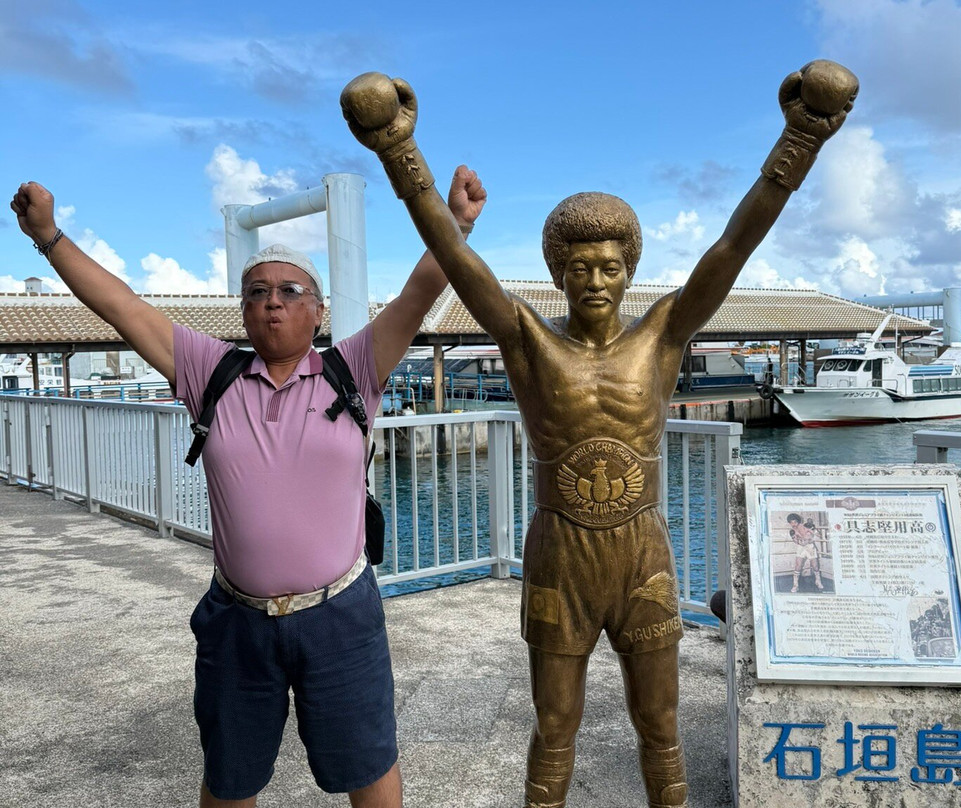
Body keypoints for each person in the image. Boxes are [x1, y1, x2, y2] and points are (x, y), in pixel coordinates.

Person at [342, 61, 856, 808]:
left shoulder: (664, 335)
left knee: (661, 723)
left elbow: (732, 247)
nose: (594, 282)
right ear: (558, 273)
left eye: (610, 268)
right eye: (579, 268)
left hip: (643, 550)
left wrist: (800, 139)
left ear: (629, 272)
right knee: (555, 725)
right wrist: (399, 150)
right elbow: (457, 258)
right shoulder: (527, 339)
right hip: (560, 553)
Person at [9, 168, 486, 808]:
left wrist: (455, 224)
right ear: (243, 311)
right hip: (237, 620)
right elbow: (122, 307)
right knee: (230, 775)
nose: (272, 302)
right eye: (257, 292)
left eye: (290, 290)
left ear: (318, 311)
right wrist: (48, 237)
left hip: (341, 617)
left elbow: (418, 293)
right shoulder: (210, 370)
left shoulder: (354, 368)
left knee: (368, 765)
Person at [787, 512, 823, 593]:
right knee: (798, 566)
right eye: (791, 523)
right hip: (801, 548)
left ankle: (818, 581)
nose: (793, 524)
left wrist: (813, 530)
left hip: (810, 547)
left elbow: (819, 535)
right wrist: (801, 542)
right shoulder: (792, 531)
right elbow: (796, 541)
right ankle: (795, 585)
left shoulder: (806, 526)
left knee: (815, 566)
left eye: (795, 522)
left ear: (798, 521)